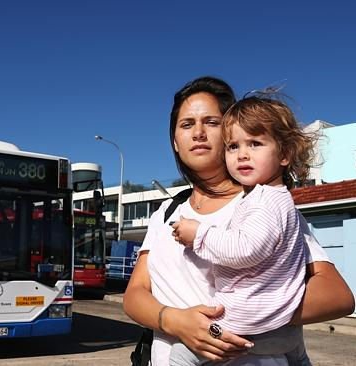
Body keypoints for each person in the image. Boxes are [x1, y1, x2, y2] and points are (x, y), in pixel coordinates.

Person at [123, 76, 355, 366]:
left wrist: (245, 320)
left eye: (211, 122)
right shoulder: (168, 212)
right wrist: (177, 322)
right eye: (186, 124)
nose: (198, 133)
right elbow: (135, 294)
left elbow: (338, 296)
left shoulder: (264, 206)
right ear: (175, 141)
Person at [169, 96, 315, 365]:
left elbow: (244, 250)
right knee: (298, 357)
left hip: (246, 321)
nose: (242, 154)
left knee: (180, 355)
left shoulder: (264, 201)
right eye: (233, 146)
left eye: (255, 144)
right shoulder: (277, 198)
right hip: (283, 326)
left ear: (285, 155)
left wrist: (199, 234)